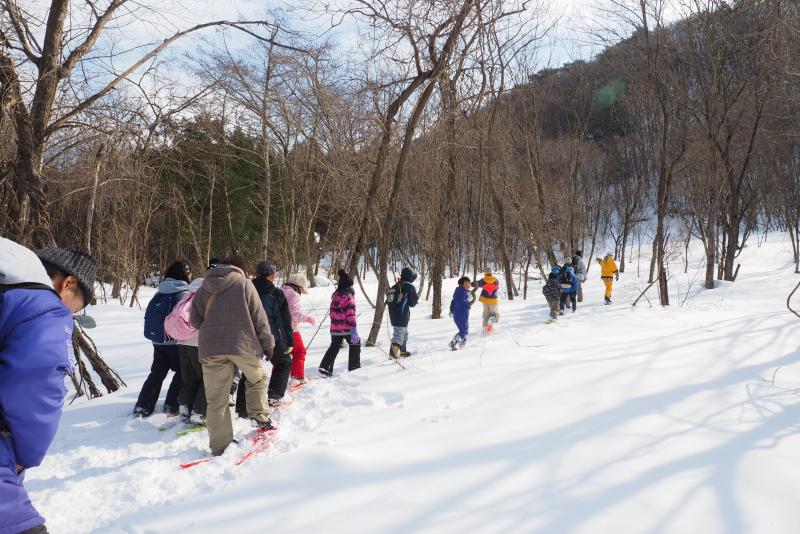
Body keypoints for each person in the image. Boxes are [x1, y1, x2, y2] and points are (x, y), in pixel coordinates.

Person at [0, 238, 96, 534]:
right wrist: (26, 455)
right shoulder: (45, 307)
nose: (69, 314)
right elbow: (37, 383)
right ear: (68, 284)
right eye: (74, 308)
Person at [189, 256, 275, 457]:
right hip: (242, 344)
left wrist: (213, 331)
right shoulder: (244, 284)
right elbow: (259, 317)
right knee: (257, 378)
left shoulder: (204, 287)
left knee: (216, 398)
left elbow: (194, 320)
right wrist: (268, 344)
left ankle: (220, 446)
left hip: (211, 348)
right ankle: (259, 416)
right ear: (239, 268)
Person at [134, 260, 190, 417]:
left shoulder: (160, 292)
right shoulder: (183, 293)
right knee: (182, 372)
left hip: (158, 341)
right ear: (184, 273)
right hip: (175, 342)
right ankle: (172, 405)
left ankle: (143, 406)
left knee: (157, 373)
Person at [249, 261, 293, 408]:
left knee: (248, 370)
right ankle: (274, 395)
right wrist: (289, 341)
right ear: (272, 276)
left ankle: (243, 405)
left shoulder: (246, 290)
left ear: (257, 274)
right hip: (271, 336)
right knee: (284, 362)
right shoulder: (276, 293)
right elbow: (285, 319)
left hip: (247, 336)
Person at [176, 277, 207, 425]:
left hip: (182, 342)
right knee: (207, 378)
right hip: (199, 344)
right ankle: (199, 412)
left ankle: (185, 409)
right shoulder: (204, 300)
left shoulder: (185, 298)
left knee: (189, 379)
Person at [319, 270, 361, 376]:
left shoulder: (335, 296)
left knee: (334, 346)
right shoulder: (349, 298)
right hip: (346, 329)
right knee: (355, 344)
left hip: (335, 329)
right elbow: (350, 315)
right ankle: (354, 368)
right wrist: (354, 331)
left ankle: (325, 367)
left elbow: (333, 314)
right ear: (348, 286)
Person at [282, 273, 317, 382]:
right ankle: (297, 377)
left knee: (282, 355)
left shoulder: (280, 290)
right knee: (299, 352)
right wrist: (308, 318)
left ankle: (278, 379)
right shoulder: (294, 295)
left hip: (277, 329)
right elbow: (294, 314)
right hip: (291, 330)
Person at [387, 267, 419, 358]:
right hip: (402, 314)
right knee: (399, 335)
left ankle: (403, 352)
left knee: (404, 334)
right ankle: (392, 355)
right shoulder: (408, 286)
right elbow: (413, 303)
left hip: (394, 314)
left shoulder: (396, 285)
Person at [448, 276, 472, 350]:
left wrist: (451, 310)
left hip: (463, 314)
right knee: (463, 331)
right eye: (466, 283)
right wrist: (468, 304)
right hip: (460, 314)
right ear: (461, 285)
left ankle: (461, 345)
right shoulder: (462, 293)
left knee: (465, 330)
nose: (468, 284)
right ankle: (453, 343)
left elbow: (453, 302)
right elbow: (464, 301)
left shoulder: (462, 292)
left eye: (469, 283)